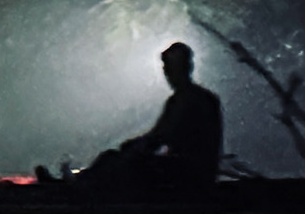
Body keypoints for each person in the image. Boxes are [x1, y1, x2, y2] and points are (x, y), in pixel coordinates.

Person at [46, 41, 223, 191]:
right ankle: (73, 183)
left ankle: (74, 187)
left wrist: (133, 150)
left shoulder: (189, 100)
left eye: (172, 67)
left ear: (187, 67)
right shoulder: (189, 99)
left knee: (115, 161)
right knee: (116, 158)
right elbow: (160, 137)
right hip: (192, 172)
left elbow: (160, 138)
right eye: (167, 68)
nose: (168, 74)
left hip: (190, 177)